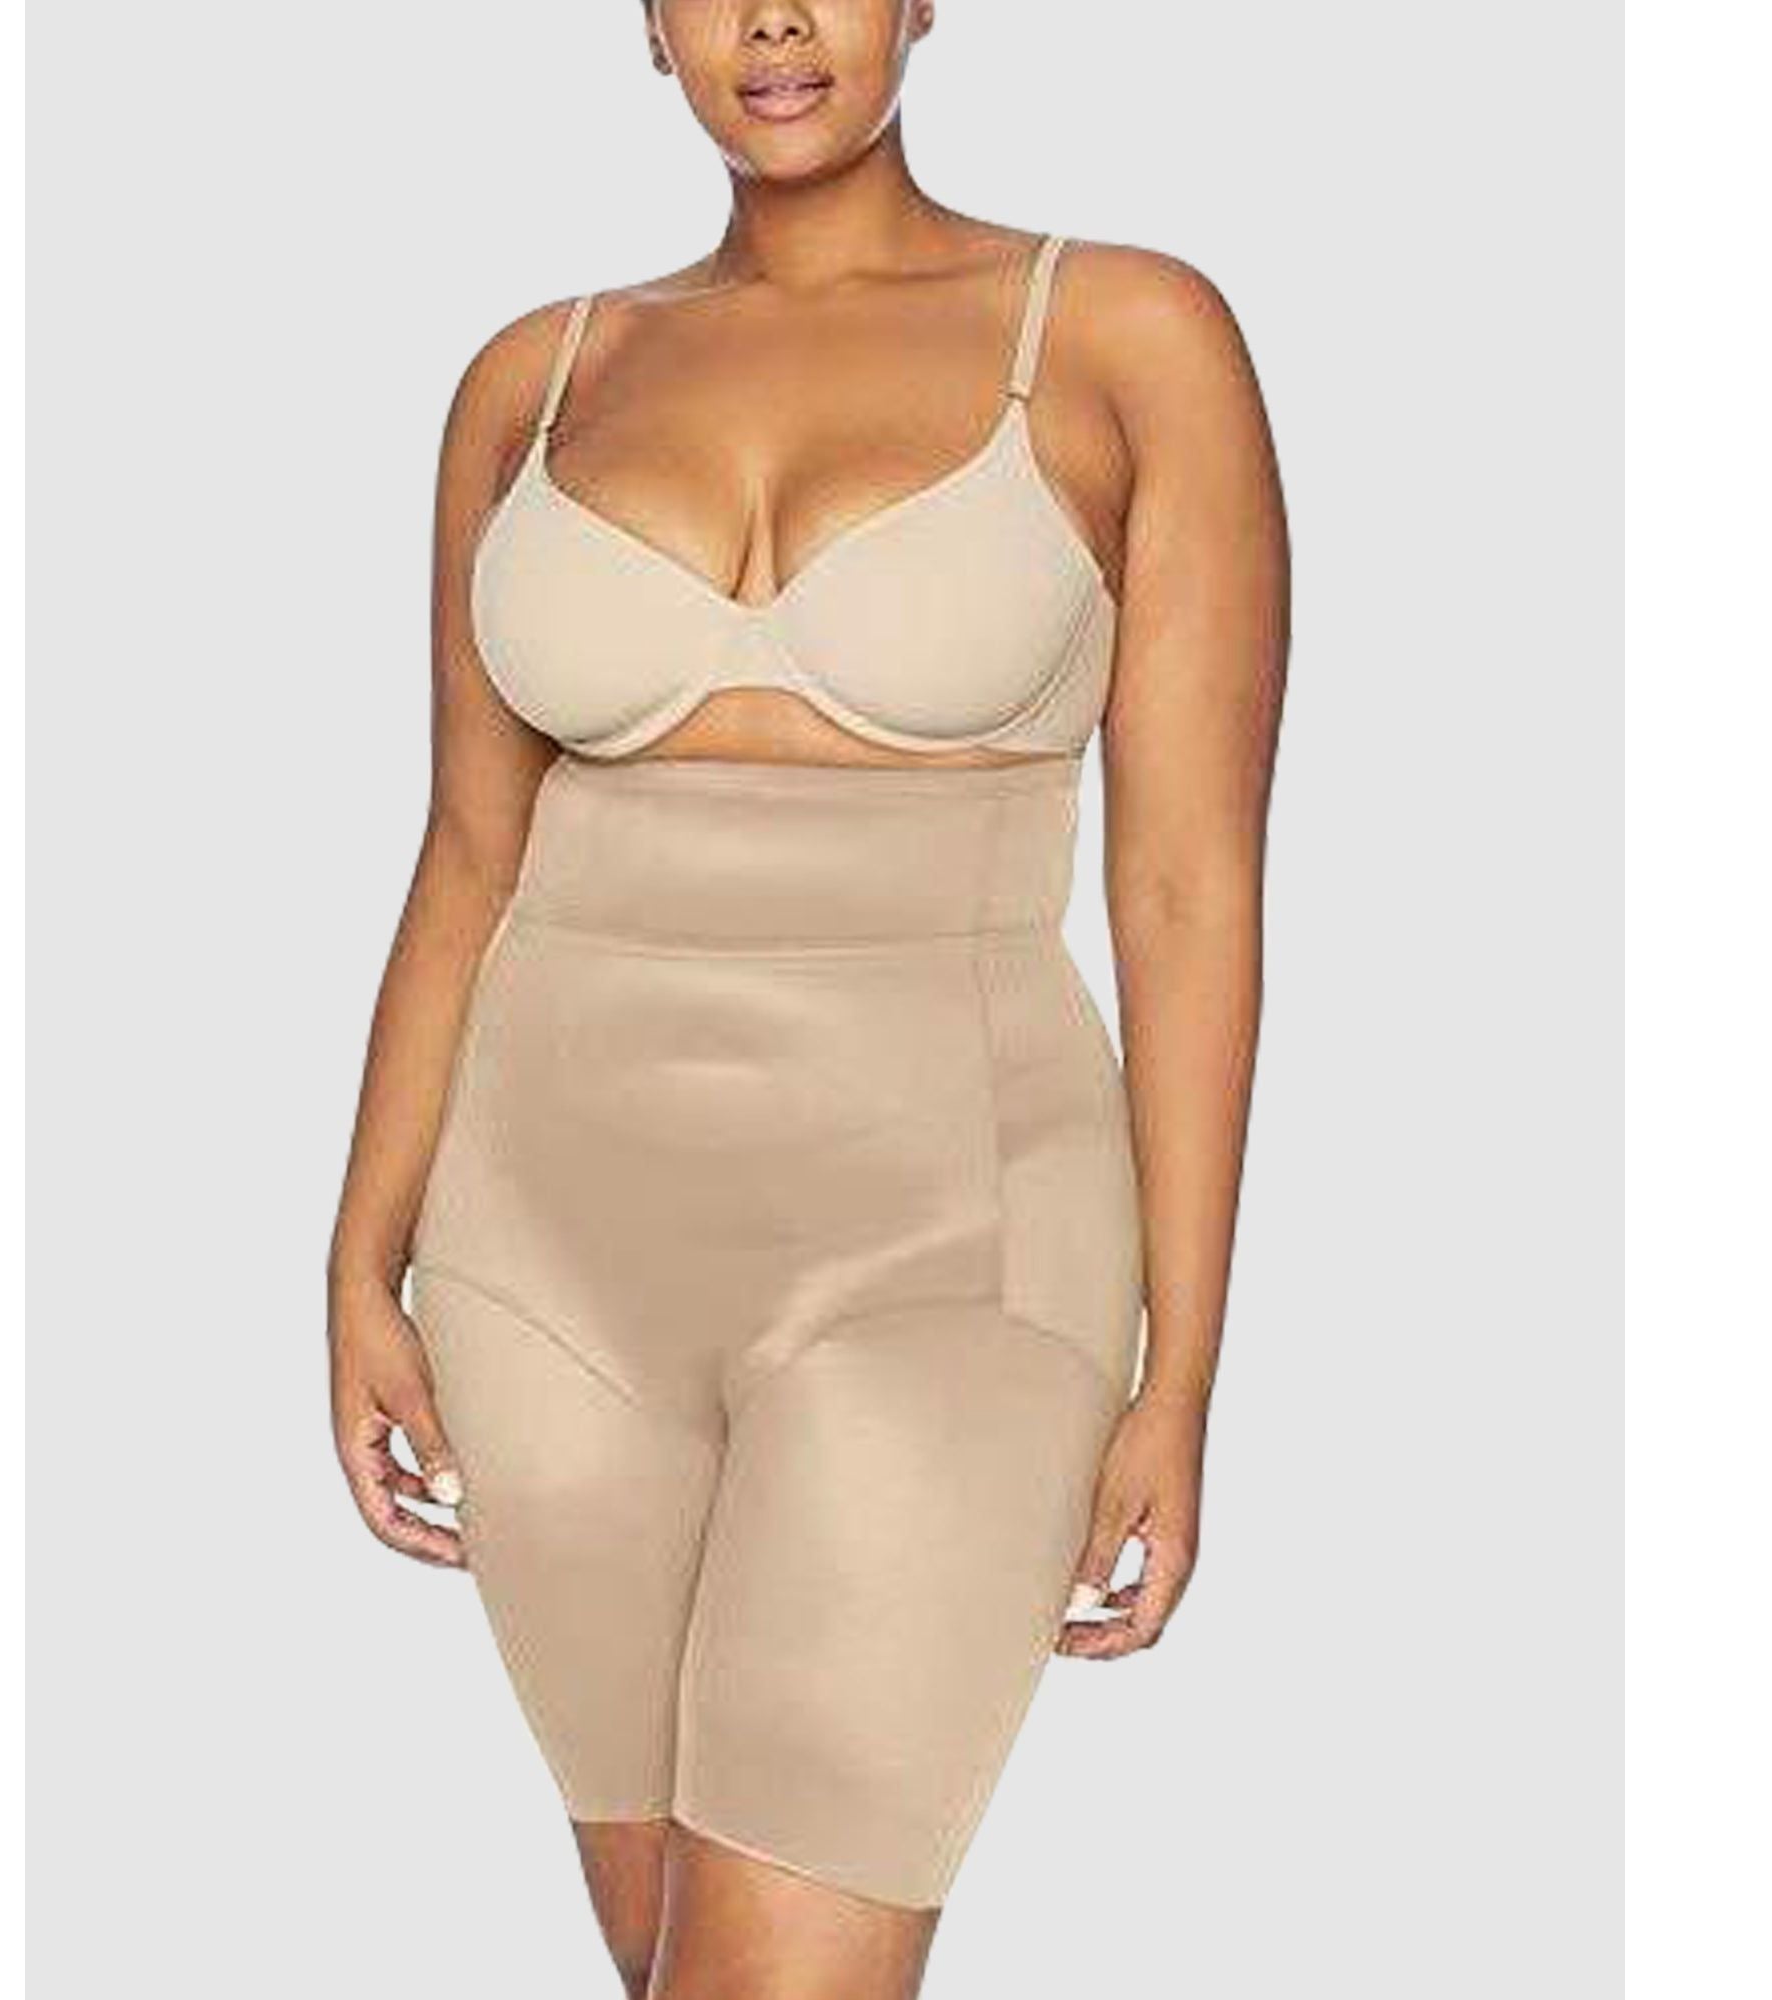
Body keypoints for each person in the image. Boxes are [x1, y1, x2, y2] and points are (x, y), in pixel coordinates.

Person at [325, 3, 1288, 1993]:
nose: (773, 17)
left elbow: (1188, 889)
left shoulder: (1125, 336)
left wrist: (1182, 1370)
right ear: (646, 22)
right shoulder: (534, 377)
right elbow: (470, 853)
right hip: (541, 1268)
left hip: (945, 1254)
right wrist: (359, 1254)